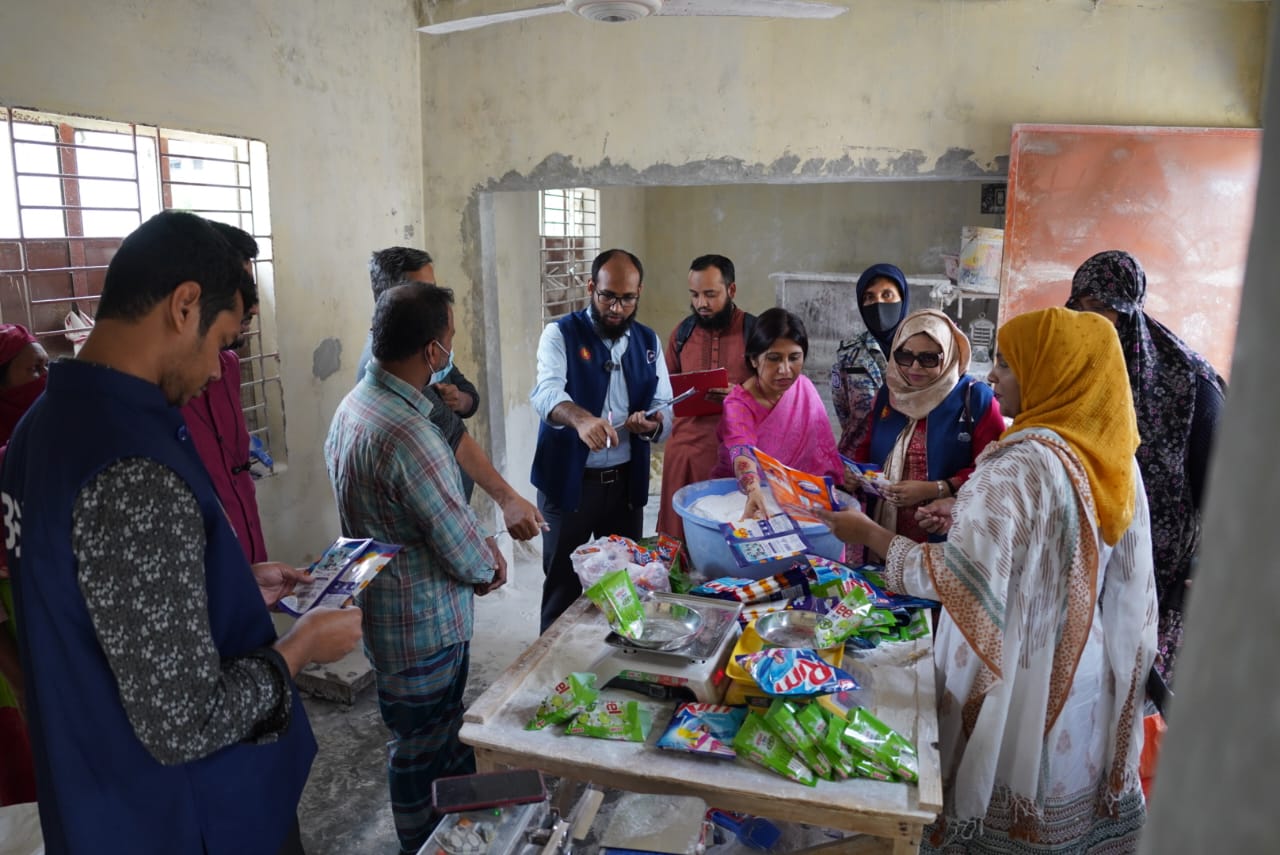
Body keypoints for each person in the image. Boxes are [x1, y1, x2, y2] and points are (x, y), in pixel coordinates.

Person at [0, 211, 363, 855]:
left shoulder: (42, 428)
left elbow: (98, 599)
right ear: (184, 305)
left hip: (95, 797)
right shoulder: (129, 463)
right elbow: (184, 722)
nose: (221, 370)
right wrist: (303, 647)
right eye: (222, 340)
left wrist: (223, 584)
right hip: (187, 816)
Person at [816, 307, 1157, 853]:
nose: (992, 375)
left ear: (1050, 372)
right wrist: (965, 515)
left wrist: (868, 533)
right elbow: (1091, 556)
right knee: (1065, 803)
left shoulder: (1017, 467)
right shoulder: (1112, 455)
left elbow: (955, 579)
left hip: (1018, 665)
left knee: (1001, 790)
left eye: (1007, 363)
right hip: (1086, 669)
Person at [326, 281, 506, 855]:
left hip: (385, 611)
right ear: (432, 351)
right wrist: (490, 563)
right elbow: (459, 543)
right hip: (424, 622)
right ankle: (425, 842)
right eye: (449, 338)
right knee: (426, 744)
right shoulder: (409, 435)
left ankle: (437, 834)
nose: (451, 349)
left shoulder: (354, 406)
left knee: (419, 734)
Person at [1067, 249, 1226, 685]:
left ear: (1127, 310)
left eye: (1101, 308)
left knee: (1134, 689)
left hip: (1159, 574)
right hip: (1085, 565)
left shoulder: (1190, 383)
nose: (1089, 320)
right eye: (1079, 306)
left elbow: (1223, 493)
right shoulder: (1076, 374)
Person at [356, 247, 544, 540]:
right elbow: (453, 434)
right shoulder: (398, 368)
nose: (437, 302)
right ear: (394, 298)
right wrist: (506, 502)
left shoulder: (423, 351)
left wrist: (461, 399)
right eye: (426, 292)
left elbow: (468, 395)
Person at [530, 248, 673, 632]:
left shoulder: (648, 342)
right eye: (608, 296)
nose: (616, 308)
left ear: (639, 294)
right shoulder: (560, 334)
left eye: (627, 299)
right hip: (569, 484)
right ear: (591, 287)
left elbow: (665, 407)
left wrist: (652, 424)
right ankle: (555, 664)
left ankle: (616, 655)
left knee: (624, 585)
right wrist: (580, 419)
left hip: (624, 487)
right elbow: (545, 393)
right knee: (562, 587)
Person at [850, 309, 1003, 545]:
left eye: (928, 358)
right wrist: (856, 475)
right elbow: (868, 448)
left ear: (949, 355)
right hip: (885, 525)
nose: (914, 367)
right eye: (904, 356)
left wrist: (936, 489)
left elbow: (992, 469)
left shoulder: (976, 399)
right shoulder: (890, 394)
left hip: (946, 528)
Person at [181, 222, 268, 563]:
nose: (254, 307)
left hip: (249, 564)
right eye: (242, 289)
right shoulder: (157, 393)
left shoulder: (228, 366)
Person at [656, 254, 756, 541]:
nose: (701, 303)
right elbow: (664, 390)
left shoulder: (754, 331)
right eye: (695, 295)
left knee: (727, 536)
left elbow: (775, 391)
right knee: (678, 536)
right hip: (683, 451)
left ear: (731, 290)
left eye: (710, 294)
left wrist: (739, 395)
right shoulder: (682, 333)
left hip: (733, 450)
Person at [711, 308, 841, 520]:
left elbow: (823, 452)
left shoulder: (804, 389)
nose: (785, 369)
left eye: (794, 358)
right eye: (774, 358)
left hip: (803, 503)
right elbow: (741, 450)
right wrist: (753, 489)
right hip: (746, 502)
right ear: (754, 359)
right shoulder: (738, 404)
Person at [0, 323, 46, 806]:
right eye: (33, 370)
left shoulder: (39, 451)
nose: (45, 381)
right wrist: (18, 677)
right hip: (11, 675)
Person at [832, 263, 911, 458]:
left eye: (887, 295)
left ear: (902, 299)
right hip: (857, 462)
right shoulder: (849, 353)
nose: (878, 304)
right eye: (869, 297)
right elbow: (842, 409)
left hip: (907, 461)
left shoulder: (921, 352)